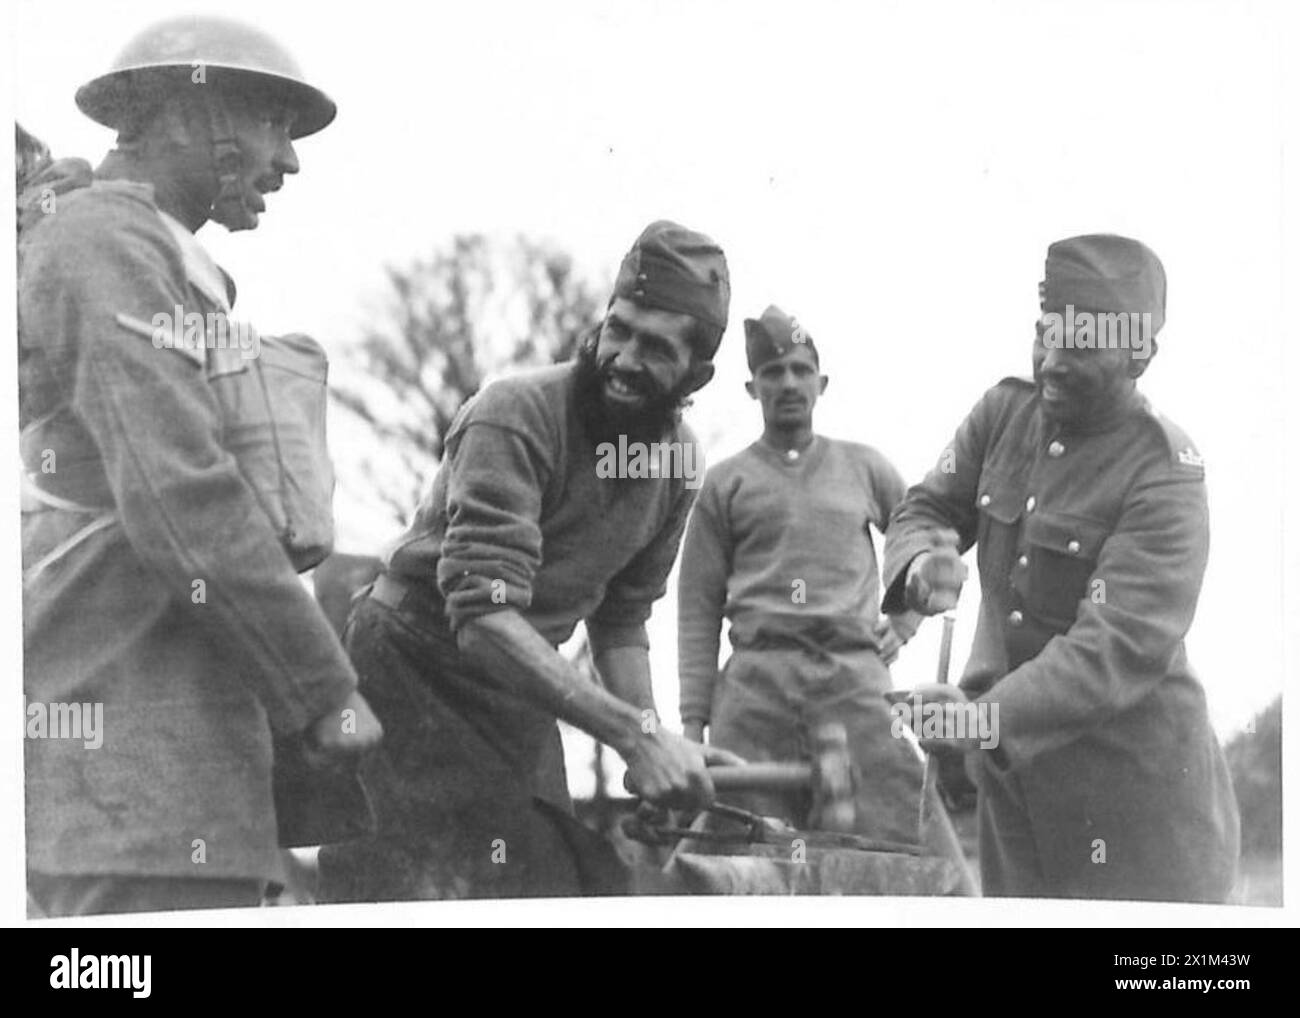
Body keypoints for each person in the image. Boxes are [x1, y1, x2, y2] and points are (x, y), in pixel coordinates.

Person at [20, 16, 381, 917]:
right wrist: (324, 689)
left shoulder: (148, 252)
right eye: (271, 123)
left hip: (177, 773)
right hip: (130, 768)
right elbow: (179, 494)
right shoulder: (107, 243)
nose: (288, 161)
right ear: (188, 116)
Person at [318, 220, 743, 900]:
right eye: (619, 328)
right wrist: (633, 738)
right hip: (410, 662)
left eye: (656, 346)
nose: (625, 358)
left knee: (545, 887)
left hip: (519, 686)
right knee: (417, 895)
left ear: (697, 373)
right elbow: (484, 618)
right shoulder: (513, 413)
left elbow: (623, 621)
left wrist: (656, 738)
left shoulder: (678, 463)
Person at [882, 234, 1239, 901]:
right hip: (1017, 809)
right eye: (1047, 334)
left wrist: (976, 722)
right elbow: (924, 506)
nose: (1052, 362)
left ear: (1141, 353)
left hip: (1140, 815)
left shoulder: (1165, 474)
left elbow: (1111, 649)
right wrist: (923, 560)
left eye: (1081, 346)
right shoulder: (1003, 413)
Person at [677, 306, 925, 844]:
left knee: (895, 841)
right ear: (751, 387)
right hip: (756, 689)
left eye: (800, 370)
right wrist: (693, 726)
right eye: (773, 373)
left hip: (853, 680)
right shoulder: (725, 484)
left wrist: (905, 620)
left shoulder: (864, 467)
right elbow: (697, 608)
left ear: (822, 383)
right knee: (743, 850)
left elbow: (918, 533)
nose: (788, 383)